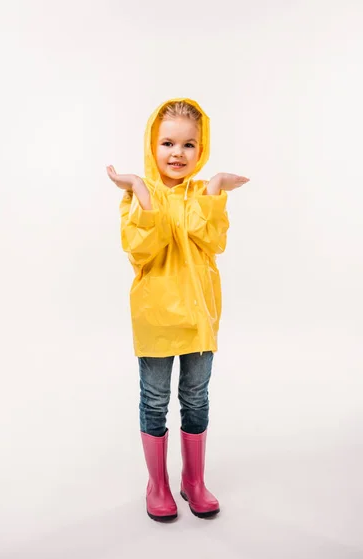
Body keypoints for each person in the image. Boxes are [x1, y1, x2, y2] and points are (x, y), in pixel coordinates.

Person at [107, 97, 249, 522]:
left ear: (200, 149)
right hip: (154, 317)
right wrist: (140, 190)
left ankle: (193, 481)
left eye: (189, 145)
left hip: (199, 318)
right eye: (168, 142)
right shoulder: (140, 197)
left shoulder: (200, 194)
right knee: (154, 400)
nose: (177, 153)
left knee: (196, 398)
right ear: (153, 145)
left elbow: (212, 242)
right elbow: (141, 251)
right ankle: (158, 485)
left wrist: (215, 187)